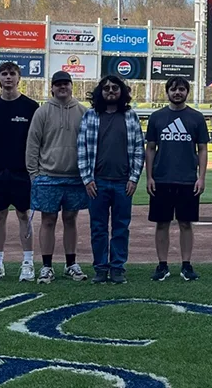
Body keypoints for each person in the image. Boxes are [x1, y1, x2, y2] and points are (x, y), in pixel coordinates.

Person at [78, 75, 145, 284]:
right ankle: (100, 268)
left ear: (121, 92)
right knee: (98, 228)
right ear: (101, 91)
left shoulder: (130, 116)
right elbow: (81, 148)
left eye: (115, 88)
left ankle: (117, 268)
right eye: (106, 88)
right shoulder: (90, 116)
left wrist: (134, 178)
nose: (110, 91)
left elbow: (138, 150)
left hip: (123, 182)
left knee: (121, 227)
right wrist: (87, 179)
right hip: (97, 182)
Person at [25, 71, 89, 284]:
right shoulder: (42, 112)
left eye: (66, 84)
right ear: (52, 87)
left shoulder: (83, 111)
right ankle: (46, 266)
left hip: (74, 177)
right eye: (58, 84)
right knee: (48, 220)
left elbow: (90, 145)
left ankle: (71, 264)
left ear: (72, 86)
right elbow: (33, 144)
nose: (62, 87)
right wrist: (34, 174)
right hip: (48, 176)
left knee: (71, 219)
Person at [0, 62, 40, 283]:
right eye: (4, 74)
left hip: (22, 172)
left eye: (12, 74)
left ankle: (28, 262)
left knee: (24, 215)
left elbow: (37, 142)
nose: (8, 78)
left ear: (19, 78)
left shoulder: (31, 107)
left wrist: (35, 171)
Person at [145, 77, 209, 282]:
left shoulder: (196, 118)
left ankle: (186, 265)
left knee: (185, 224)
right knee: (161, 223)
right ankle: (162, 265)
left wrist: (201, 177)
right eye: (173, 89)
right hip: (162, 179)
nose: (177, 92)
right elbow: (150, 148)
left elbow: (202, 149)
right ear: (167, 92)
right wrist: (149, 177)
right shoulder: (157, 117)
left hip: (187, 179)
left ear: (187, 92)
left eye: (181, 89)